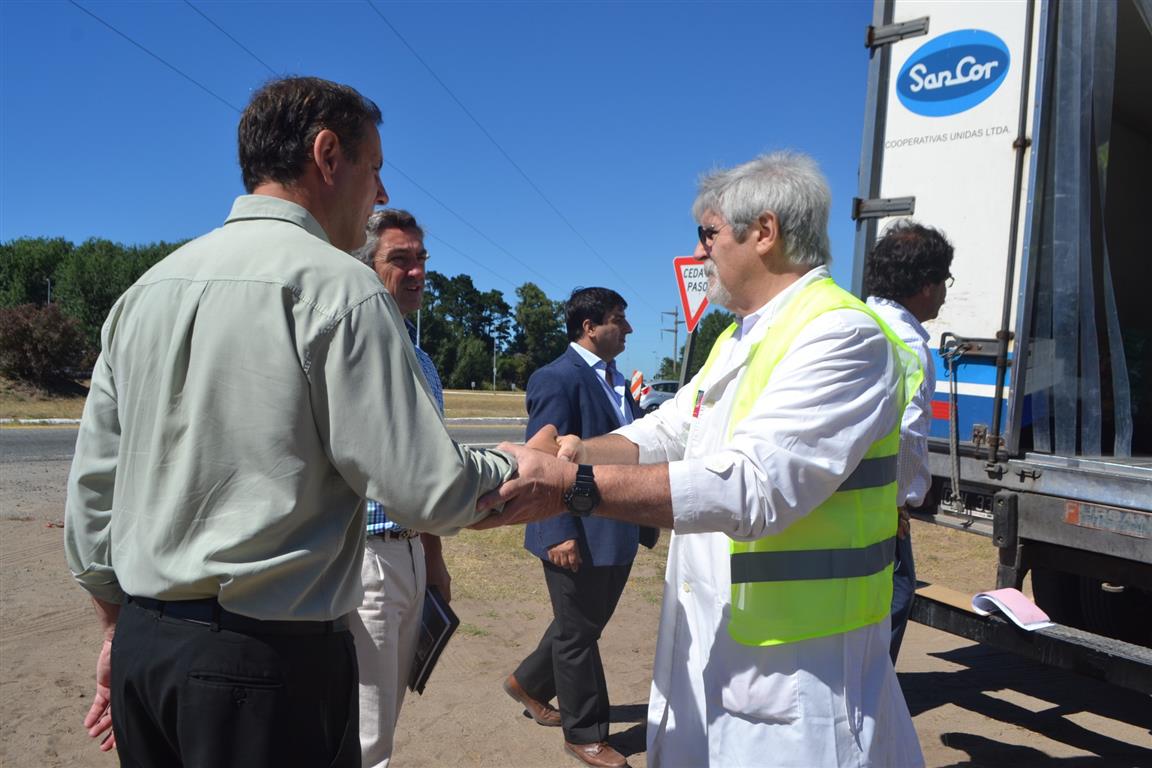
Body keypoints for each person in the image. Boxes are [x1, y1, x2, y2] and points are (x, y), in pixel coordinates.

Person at [63, 76, 516, 768]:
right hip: (265, 665)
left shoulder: (144, 292)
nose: (381, 194)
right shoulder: (338, 287)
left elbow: (93, 497)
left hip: (144, 653)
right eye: (376, 168)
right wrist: (511, 464)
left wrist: (116, 630)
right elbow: (426, 490)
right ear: (328, 156)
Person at [479, 151, 925, 767]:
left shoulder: (839, 335)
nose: (699, 252)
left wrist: (571, 484)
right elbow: (668, 430)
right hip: (725, 651)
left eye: (708, 234)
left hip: (801, 672)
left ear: (763, 232)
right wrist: (575, 448)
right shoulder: (742, 335)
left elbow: (754, 486)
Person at [504, 287, 656, 768]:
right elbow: (540, 462)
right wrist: (556, 531)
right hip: (577, 532)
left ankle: (526, 683)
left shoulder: (615, 380)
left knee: (581, 624)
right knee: (578, 636)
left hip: (616, 529)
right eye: (619, 319)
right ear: (589, 327)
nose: (628, 329)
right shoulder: (556, 378)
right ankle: (585, 732)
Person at [348, 208, 451, 767]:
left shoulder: (423, 361)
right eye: (400, 260)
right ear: (366, 266)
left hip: (410, 553)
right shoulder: (350, 351)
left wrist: (433, 560)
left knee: (385, 717)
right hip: (363, 560)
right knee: (366, 732)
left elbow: (430, 474)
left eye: (421, 260)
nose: (416, 273)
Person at [864, 220, 954, 663]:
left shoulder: (854, 320)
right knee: (893, 605)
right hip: (881, 514)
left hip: (842, 507)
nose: (944, 294)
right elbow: (906, 434)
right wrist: (908, 498)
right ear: (925, 284)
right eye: (944, 281)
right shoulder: (908, 344)